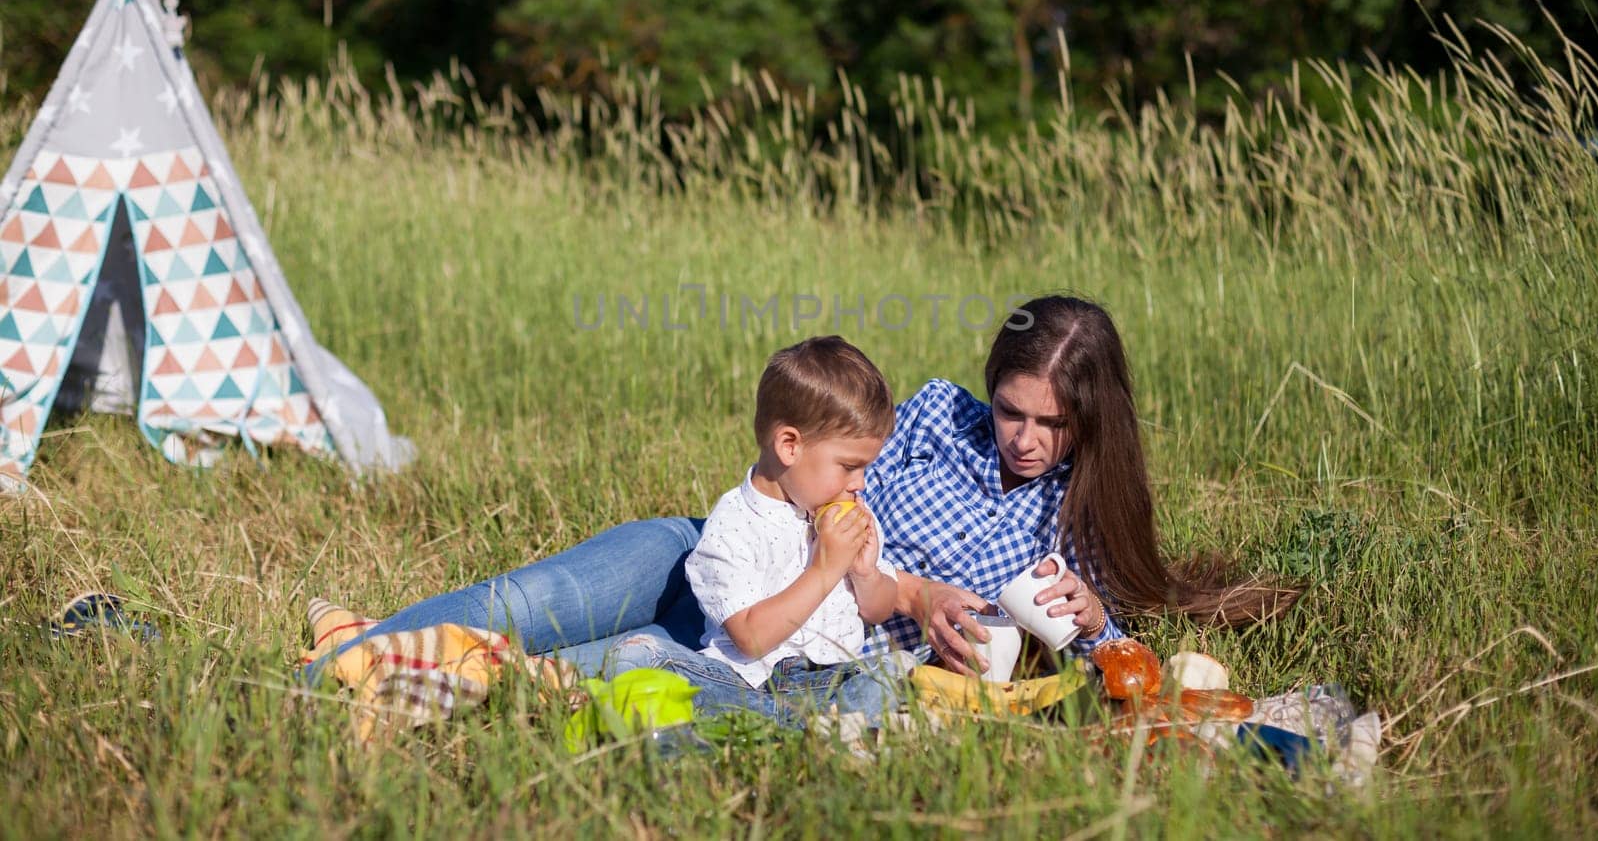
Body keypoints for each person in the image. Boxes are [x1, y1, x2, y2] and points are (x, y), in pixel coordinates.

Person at [305, 295, 1297, 684]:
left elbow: (1105, 657)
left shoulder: (1072, 519)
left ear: (1090, 418)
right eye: (1012, 410)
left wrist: (1090, 622)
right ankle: (345, 653)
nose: (1026, 437)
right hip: (720, 557)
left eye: (1051, 421)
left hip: (799, 649)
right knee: (528, 601)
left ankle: (377, 669)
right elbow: (826, 464)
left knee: (565, 665)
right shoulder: (937, 414)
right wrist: (900, 584)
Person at [597, 336, 910, 724]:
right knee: (636, 658)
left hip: (832, 679)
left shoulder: (845, 517)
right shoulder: (733, 526)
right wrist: (825, 569)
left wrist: (865, 573)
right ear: (790, 446)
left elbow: (877, 611)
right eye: (849, 467)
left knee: (896, 670)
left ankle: (794, 723)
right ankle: (802, 723)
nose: (860, 483)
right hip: (743, 682)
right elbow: (750, 638)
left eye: (865, 468)